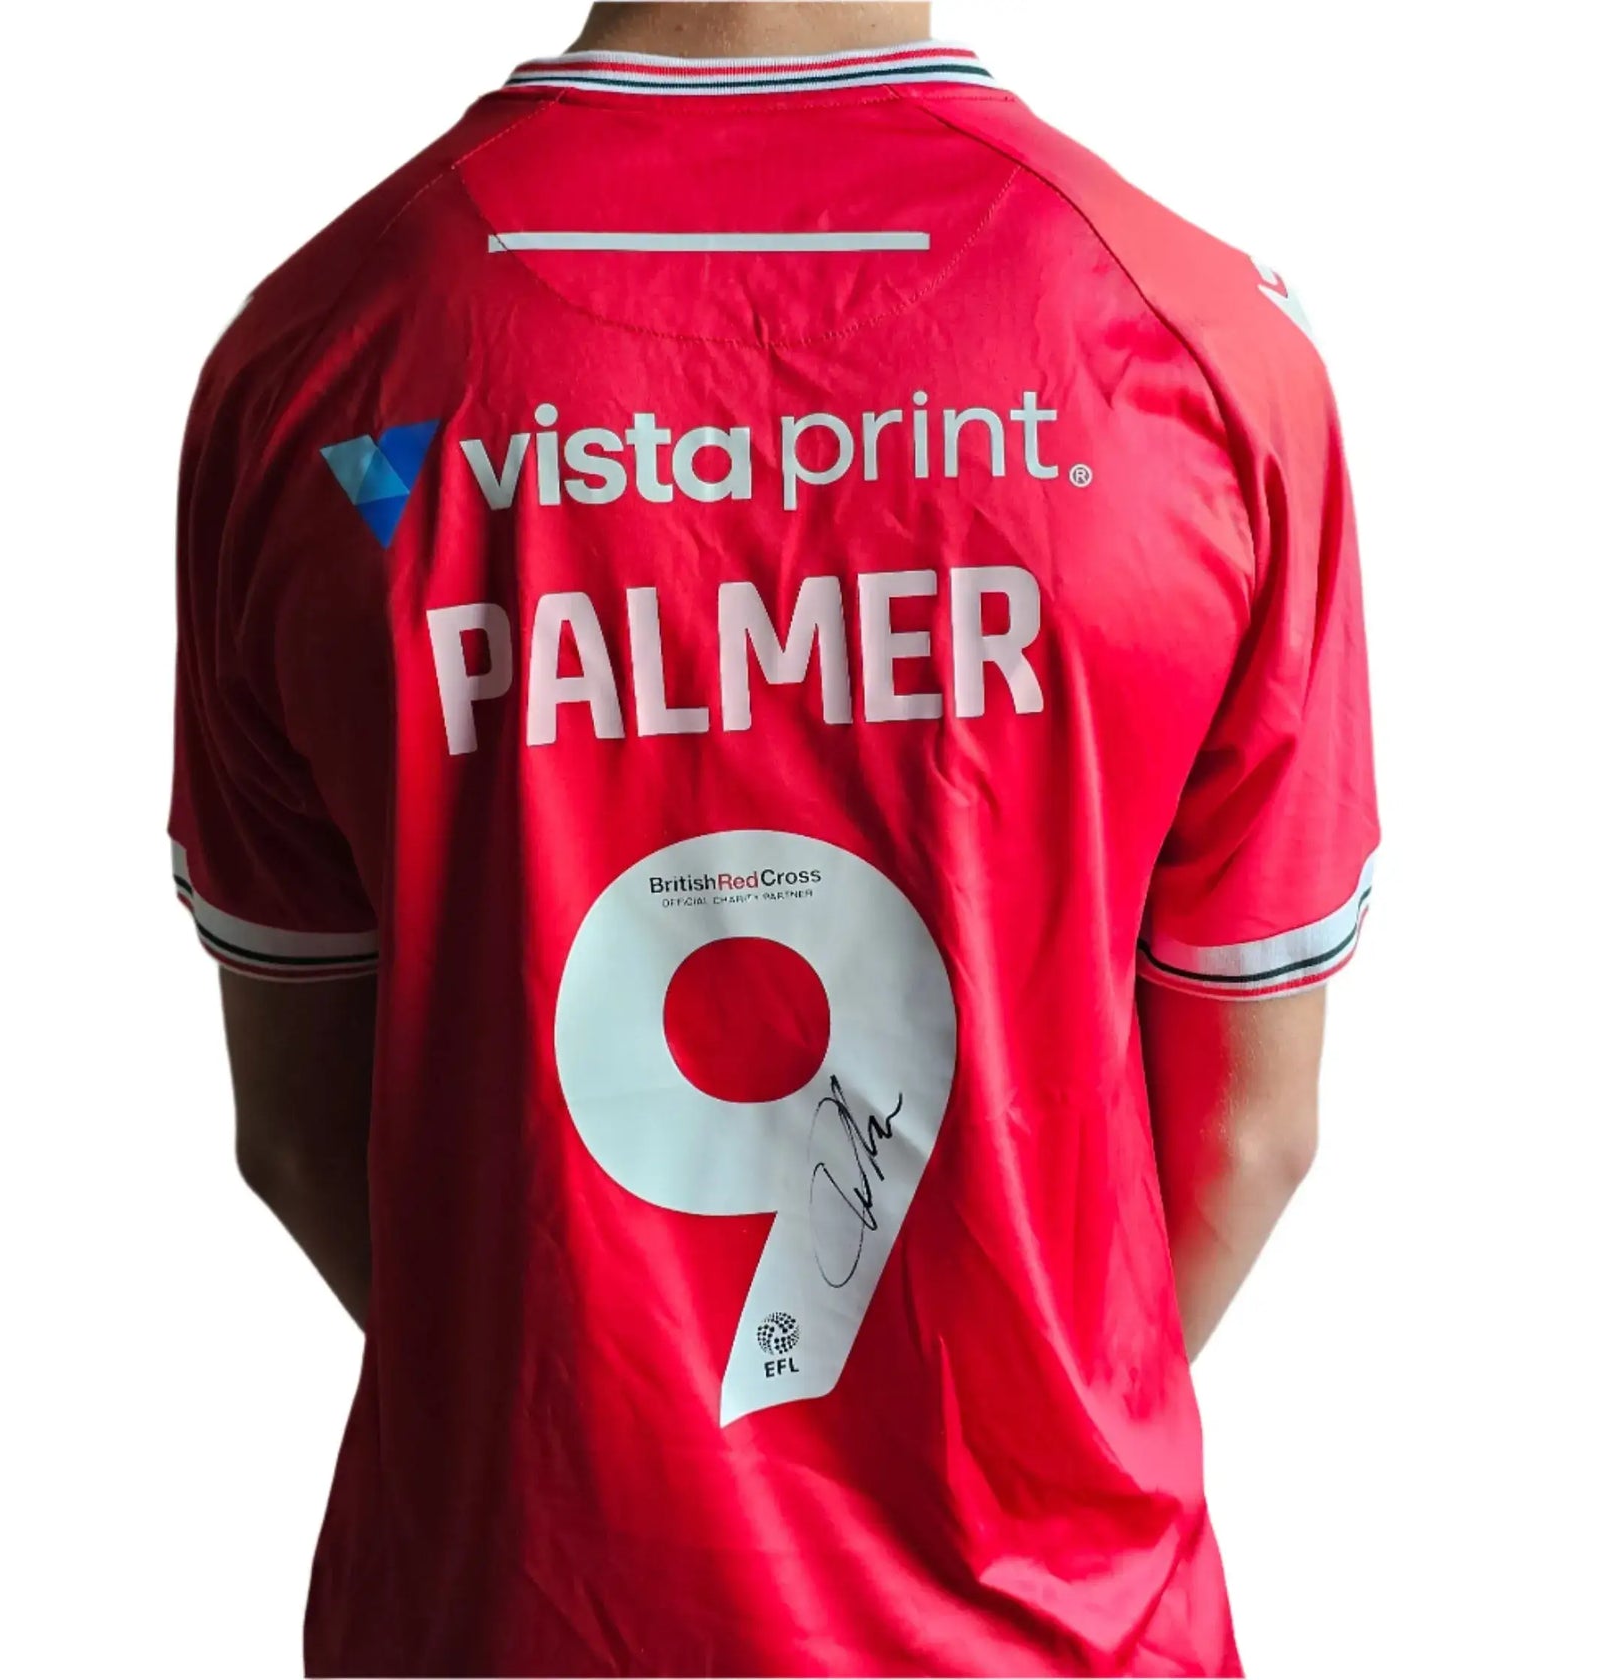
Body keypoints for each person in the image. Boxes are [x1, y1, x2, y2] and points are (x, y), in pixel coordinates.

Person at [169, 3, 1378, 1673]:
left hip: (508, 1620)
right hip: (1058, 1634)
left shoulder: (316, 355)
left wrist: (597, 1435)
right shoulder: (1207, 348)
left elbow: (303, 1135)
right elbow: (1250, 1135)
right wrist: (1002, 1434)